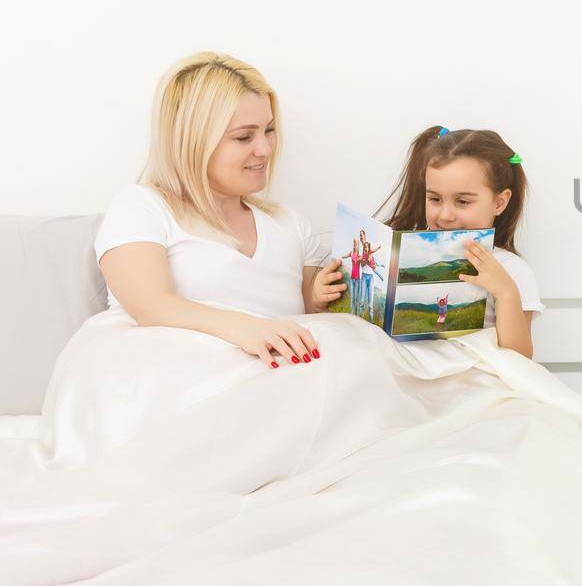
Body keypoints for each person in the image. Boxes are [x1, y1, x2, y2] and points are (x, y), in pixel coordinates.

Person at [95, 52, 347, 369]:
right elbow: (152, 306)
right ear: (193, 142)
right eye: (244, 136)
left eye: (269, 130)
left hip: (276, 388)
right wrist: (249, 327)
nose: (265, 149)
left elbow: (307, 318)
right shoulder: (142, 207)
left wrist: (322, 301)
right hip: (172, 383)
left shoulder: (289, 225)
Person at [378, 126, 544, 358]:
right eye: (435, 199)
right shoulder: (402, 253)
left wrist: (506, 293)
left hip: (472, 377)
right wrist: (320, 295)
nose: (446, 215)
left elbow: (521, 358)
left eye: (463, 202)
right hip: (409, 368)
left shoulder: (512, 270)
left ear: (499, 203)